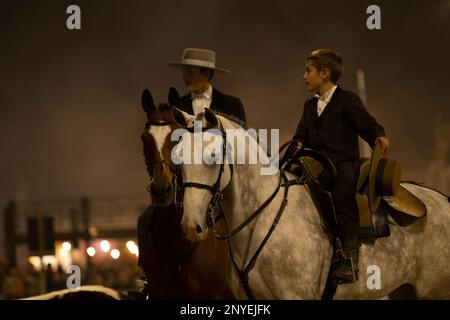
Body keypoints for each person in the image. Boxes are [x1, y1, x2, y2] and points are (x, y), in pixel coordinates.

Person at [134, 48, 247, 298]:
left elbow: (242, 146)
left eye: (189, 71)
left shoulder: (231, 104)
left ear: (206, 72)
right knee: (145, 218)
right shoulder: (179, 106)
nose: (184, 75)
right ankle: (147, 276)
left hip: (222, 181)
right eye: (184, 71)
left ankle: (250, 274)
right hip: (188, 182)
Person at [291, 49, 390, 283]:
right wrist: (297, 144)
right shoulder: (309, 106)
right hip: (318, 165)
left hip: (344, 164)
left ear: (325, 73)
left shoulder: (348, 100)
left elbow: (367, 124)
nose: (303, 75)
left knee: (343, 194)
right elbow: (301, 135)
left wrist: (378, 136)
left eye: (308, 71)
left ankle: (349, 257)